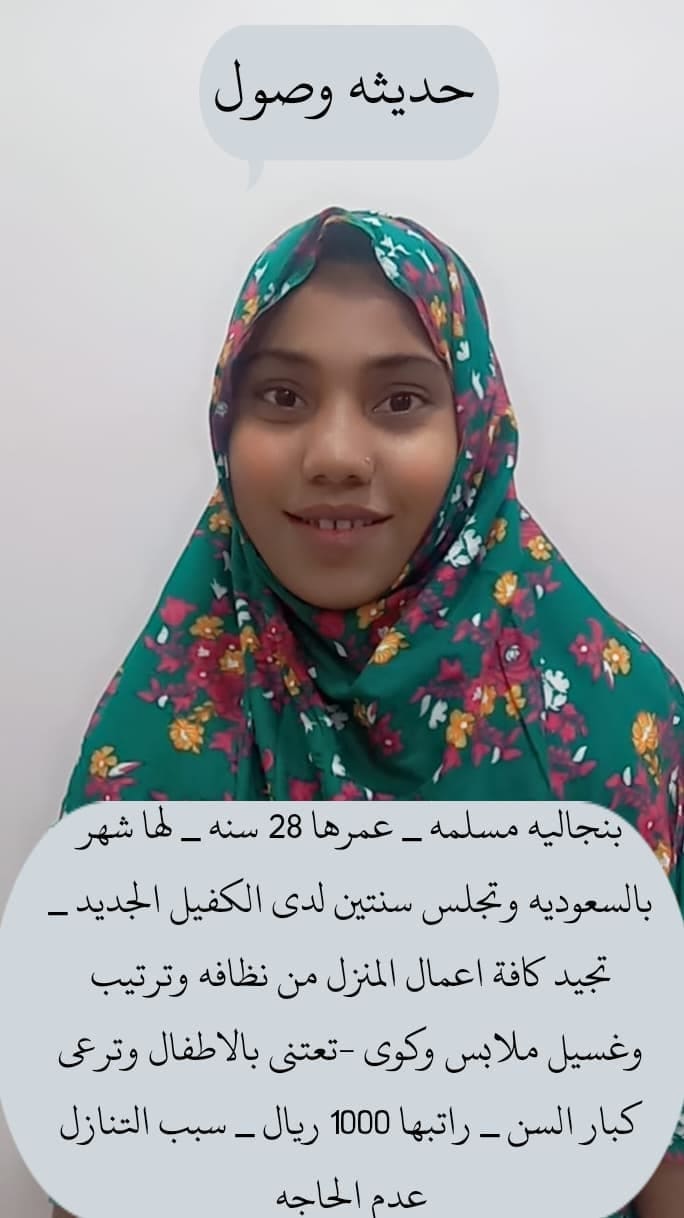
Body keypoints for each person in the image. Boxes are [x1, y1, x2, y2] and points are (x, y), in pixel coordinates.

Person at [52, 206, 683, 1218]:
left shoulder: (608, 735)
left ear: (472, 426)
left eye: (399, 399)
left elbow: (662, 1152)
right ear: (226, 424)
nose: (336, 454)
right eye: (282, 396)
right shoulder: (155, 746)